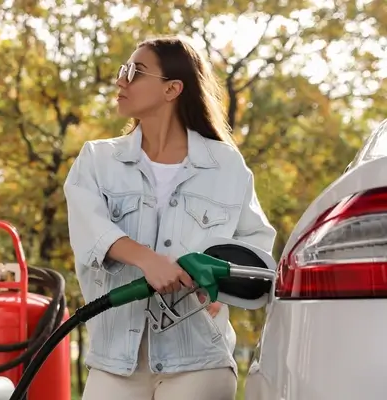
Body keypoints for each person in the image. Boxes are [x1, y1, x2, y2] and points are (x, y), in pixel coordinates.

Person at [63, 36, 276, 400]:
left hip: (197, 359)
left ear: (173, 89)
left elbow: (255, 247)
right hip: (115, 362)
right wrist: (149, 261)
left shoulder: (224, 165)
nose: (121, 81)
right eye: (123, 71)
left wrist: (220, 288)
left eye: (135, 71)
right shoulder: (97, 161)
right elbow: (90, 228)